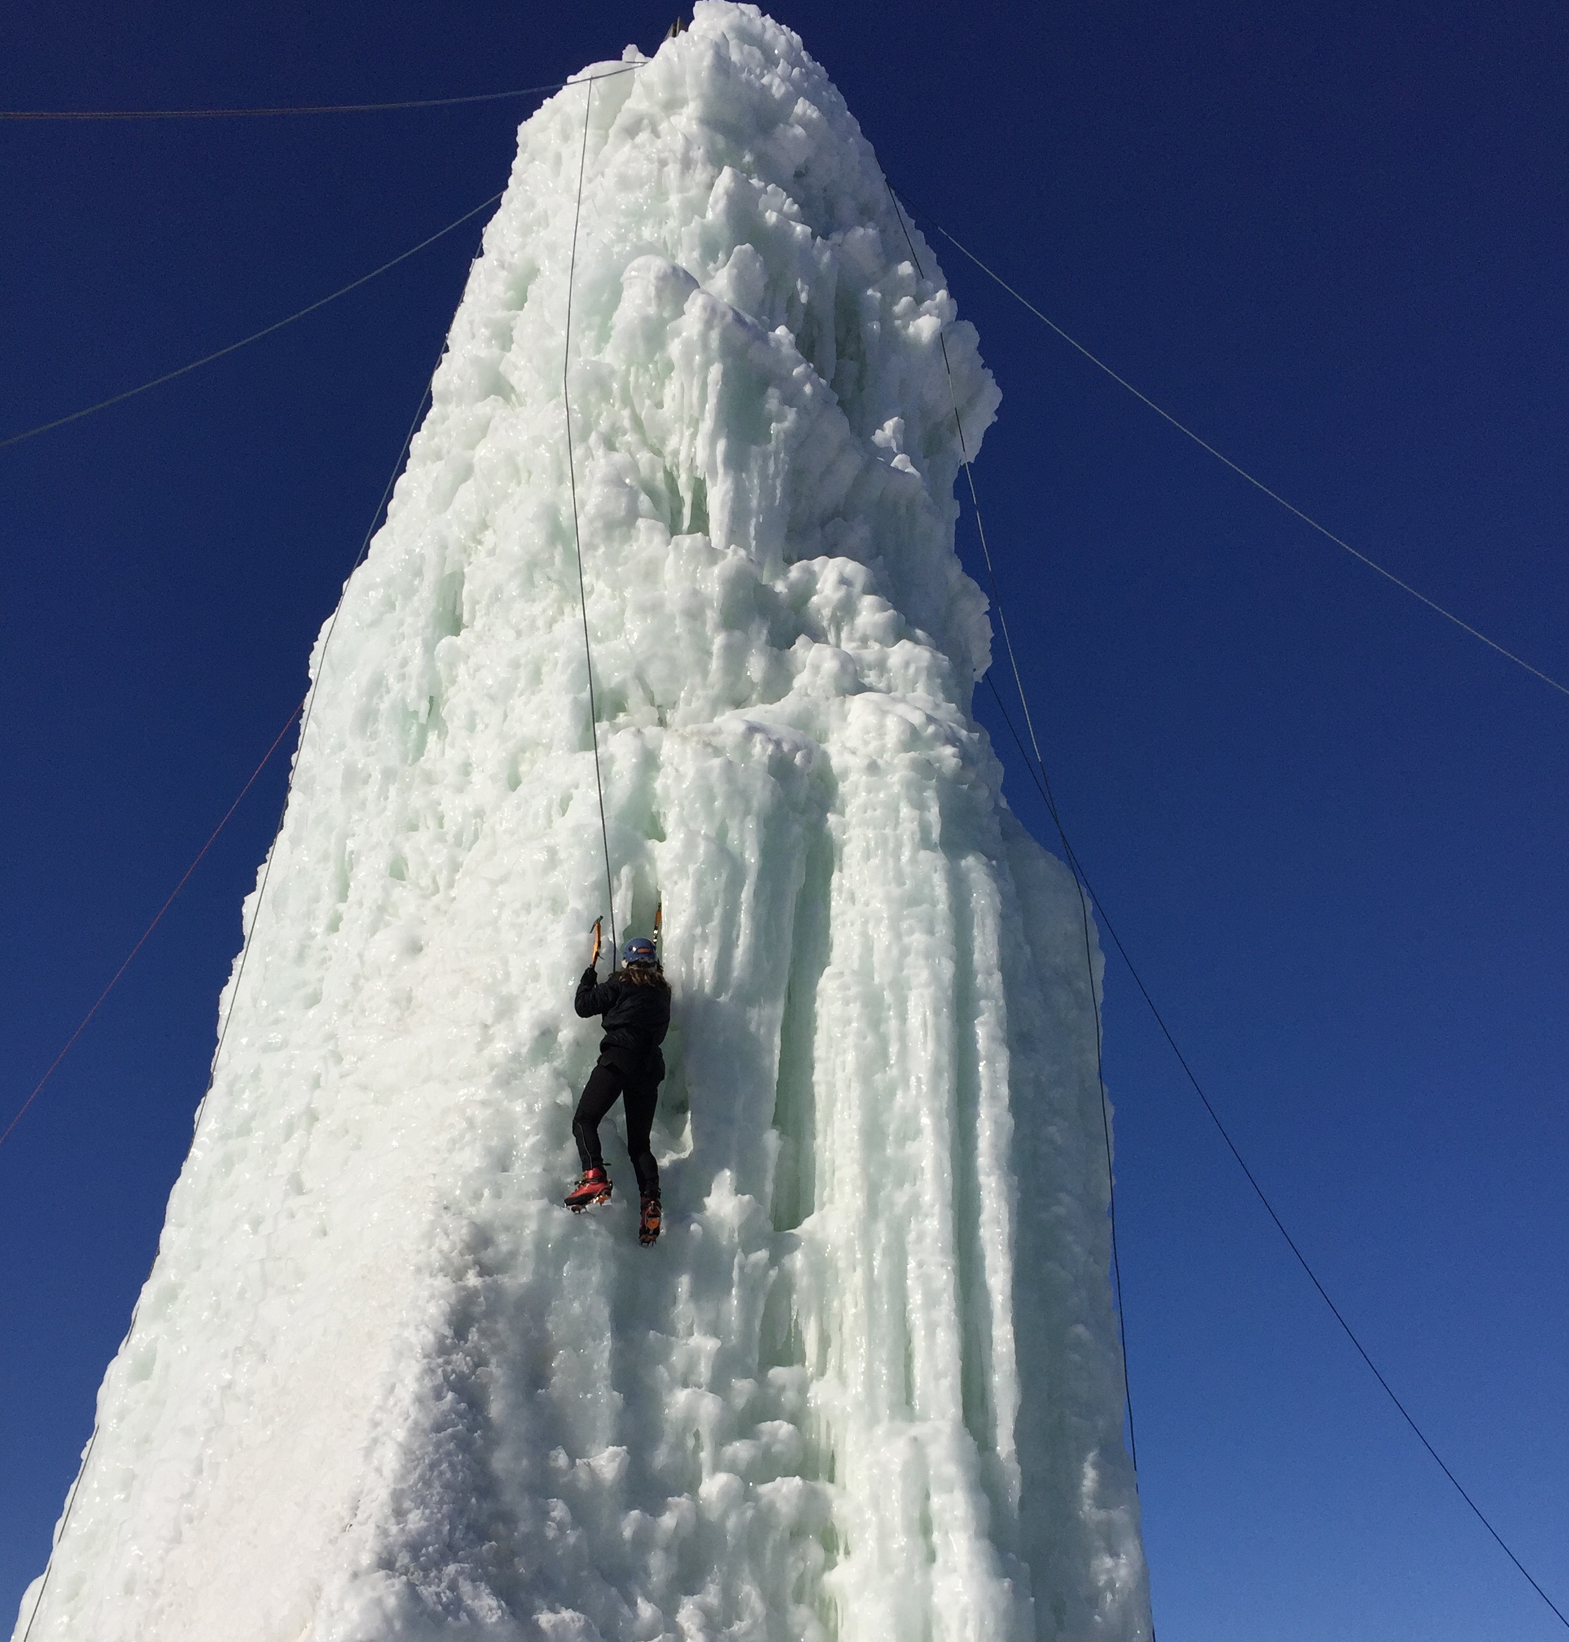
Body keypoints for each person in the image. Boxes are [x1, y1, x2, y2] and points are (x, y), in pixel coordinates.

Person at [565, 923, 670, 1245]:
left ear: (627, 962)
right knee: (639, 1145)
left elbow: (584, 1007)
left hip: (619, 1058)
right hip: (649, 1066)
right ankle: (650, 1201)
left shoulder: (619, 983)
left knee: (585, 1119)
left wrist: (589, 975)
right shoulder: (663, 991)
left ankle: (594, 1175)